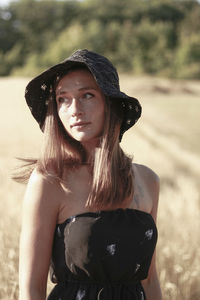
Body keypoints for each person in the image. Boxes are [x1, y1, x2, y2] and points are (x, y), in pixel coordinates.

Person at [18, 49, 162, 300]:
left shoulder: (148, 181)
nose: (74, 109)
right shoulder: (50, 182)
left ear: (110, 104)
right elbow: (31, 289)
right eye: (63, 99)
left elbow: (150, 280)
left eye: (87, 95)